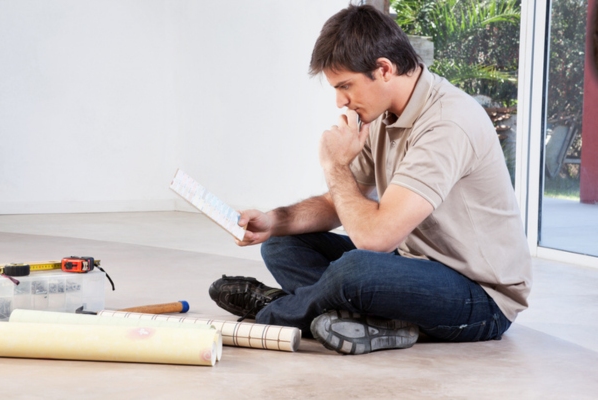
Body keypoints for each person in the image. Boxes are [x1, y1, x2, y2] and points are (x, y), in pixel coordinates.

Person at [209, 4, 532, 355]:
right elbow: (340, 204)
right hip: (413, 267)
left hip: (480, 297)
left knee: (357, 268)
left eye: (345, 85)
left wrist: (334, 166)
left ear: (383, 69)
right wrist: (274, 220)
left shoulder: (447, 123)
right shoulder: (382, 114)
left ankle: (279, 310)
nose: (340, 102)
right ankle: (357, 318)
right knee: (282, 243)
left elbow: (373, 239)